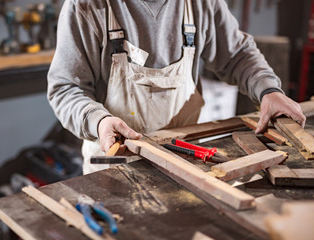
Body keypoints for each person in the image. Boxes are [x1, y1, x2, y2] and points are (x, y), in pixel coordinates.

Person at [47, 0, 306, 174]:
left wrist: (268, 90)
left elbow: (237, 55)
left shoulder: (199, 4)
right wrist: (98, 120)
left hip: (185, 159)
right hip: (114, 162)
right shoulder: (87, 6)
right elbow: (66, 88)